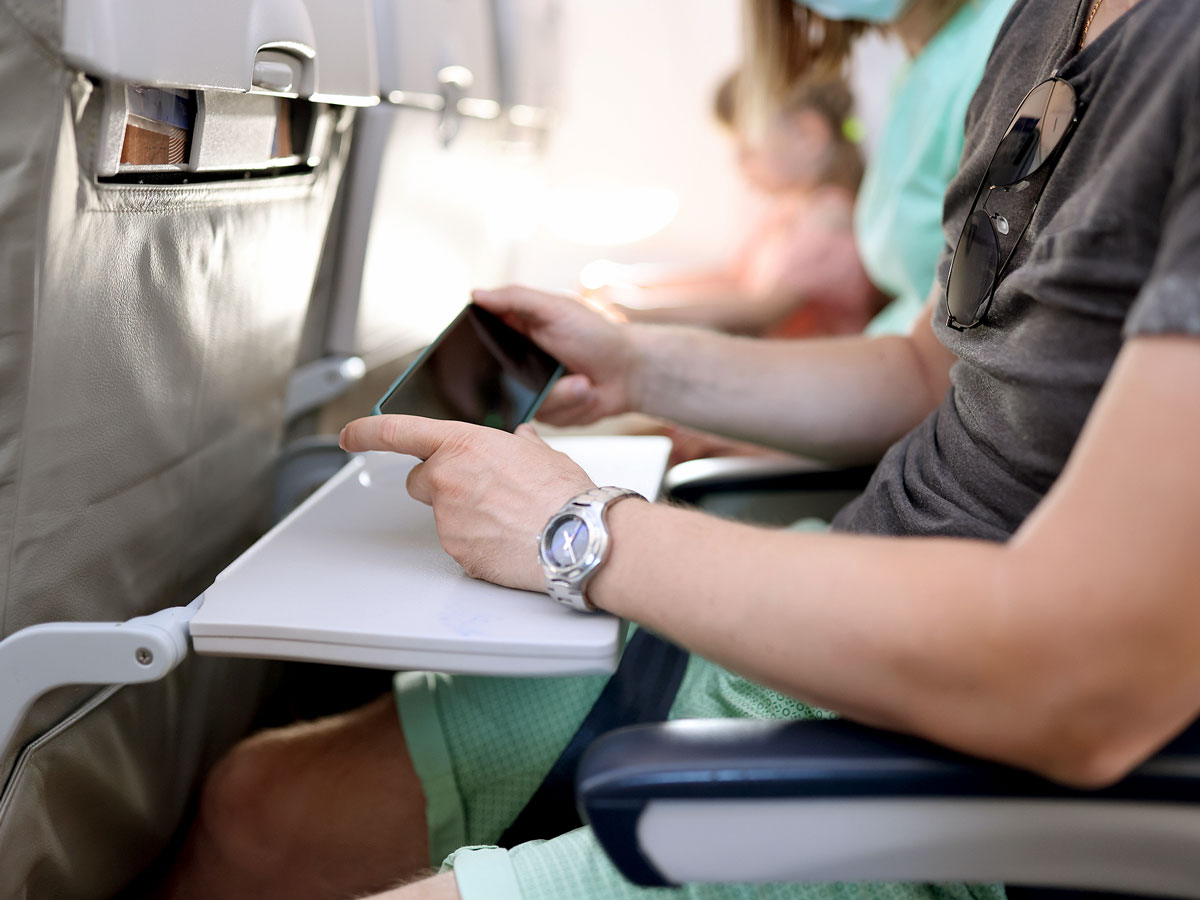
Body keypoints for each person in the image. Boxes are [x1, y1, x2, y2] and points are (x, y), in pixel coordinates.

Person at [163, 2, 1200, 900]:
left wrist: (582, 535)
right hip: (808, 624)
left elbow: (1084, 679)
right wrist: (638, 366)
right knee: (251, 812)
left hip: (946, 766)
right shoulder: (1041, 23)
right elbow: (932, 374)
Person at [600, 75, 884, 339]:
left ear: (808, 135)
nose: (738, 165)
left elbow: (760, 311)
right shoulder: (786, 212)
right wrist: (631, 282)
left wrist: (634, 308)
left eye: (748, 150)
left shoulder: (830, 216)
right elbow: (733, 279)